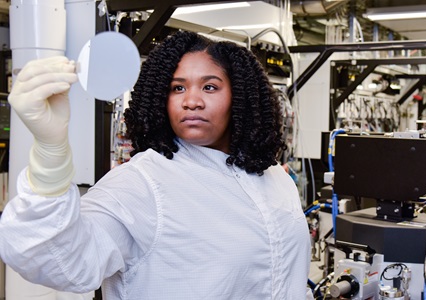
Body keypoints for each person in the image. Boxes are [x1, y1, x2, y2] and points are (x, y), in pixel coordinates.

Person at [1, 30, 312, 299]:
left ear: (241, 98)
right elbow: (55, 259)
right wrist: (49, 155)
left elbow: (288, 279)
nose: (191, 101)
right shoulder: (142, 183)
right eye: (177, 88)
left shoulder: (274, 178)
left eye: (209, 87)